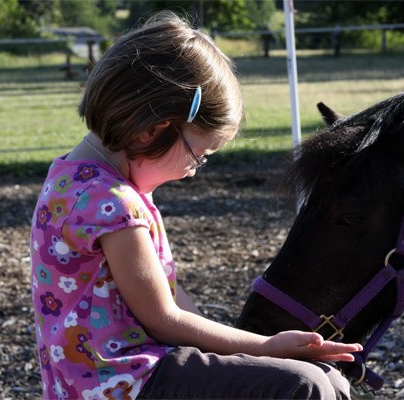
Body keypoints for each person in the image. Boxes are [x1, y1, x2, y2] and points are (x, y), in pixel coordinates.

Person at [30, 11, 362, 400]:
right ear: (152, 130)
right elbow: (164, 319)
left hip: (133, 373)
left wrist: (246, 352)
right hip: (121, 383)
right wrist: (263, 348)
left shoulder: (75, 180)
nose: (193, 171)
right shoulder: (110, 204)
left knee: (325, 377)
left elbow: (168, 296)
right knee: (303, 385)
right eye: (198, 153)